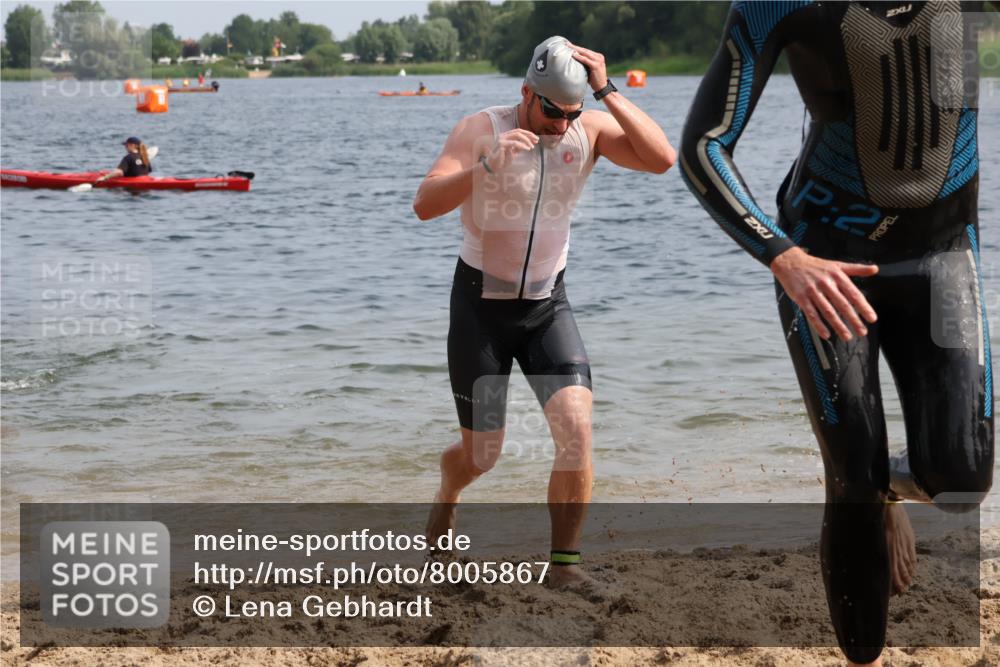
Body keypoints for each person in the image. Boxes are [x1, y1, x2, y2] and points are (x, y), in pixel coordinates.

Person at [680, 2, 995, 665]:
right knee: (854, 470)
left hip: (943, 255)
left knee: (960, 477)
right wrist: (784, 257)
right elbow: (703, 145)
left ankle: (887, 487)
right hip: (825, 260)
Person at [413, 36, 675, 587]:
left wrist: (607, 91)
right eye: (551, 110)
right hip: (481, 309)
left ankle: (564, 569)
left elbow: (662, 160)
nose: (560, 125)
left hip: (546, 307)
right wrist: (482, 168)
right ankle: (447, 492)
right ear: (526, 93)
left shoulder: (588, 130)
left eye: (571, 112)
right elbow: (425, 204)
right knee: (482, 455)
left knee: (577, 429)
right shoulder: (479, 129)